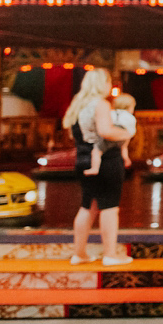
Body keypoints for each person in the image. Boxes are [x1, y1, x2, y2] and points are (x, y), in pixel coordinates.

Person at [63, 69, 134, 266]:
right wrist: (126, 133)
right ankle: (110, 254)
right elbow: (105, 131)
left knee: (88, 206)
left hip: (83, 159)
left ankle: (80, 253)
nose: (110, 86)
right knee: (110, 207)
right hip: (106, 161)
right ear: (102, 84)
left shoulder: (77, 105)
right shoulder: (100, 104)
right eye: (109, 82)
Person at [84, 93, 136, 176]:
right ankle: (126, 158)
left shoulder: (110, 113)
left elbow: (105, 126)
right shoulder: (130, 117)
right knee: (124, 146)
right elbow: (131, 130)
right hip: (122, 136)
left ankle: (95, 168)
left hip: (110, 136)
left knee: (97, 151)